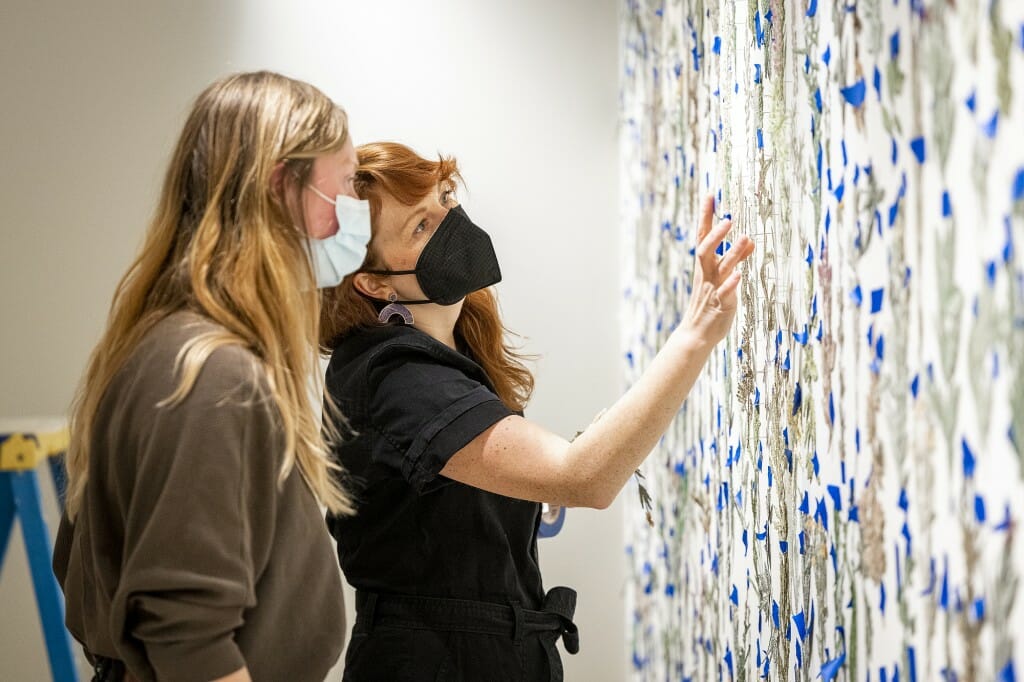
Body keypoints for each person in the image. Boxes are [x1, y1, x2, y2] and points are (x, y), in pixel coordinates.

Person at [319, 142, 754, 681]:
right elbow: (584, 479)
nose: (451, 222)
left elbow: (451, 510)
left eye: (445, 198)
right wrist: (696, 333)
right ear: (374, 282)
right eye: (420, 227)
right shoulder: (398, 378)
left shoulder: (452, 350)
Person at [53, 71, 372, 682]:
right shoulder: (212, 377)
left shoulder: (165, 344)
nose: (356, 211)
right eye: (349, 182)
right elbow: (189, 636)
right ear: (283, 184)